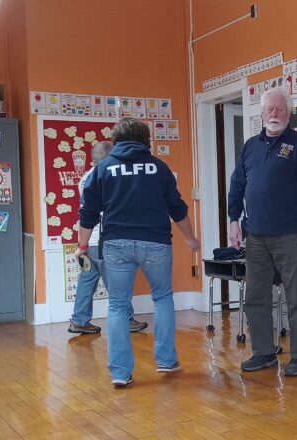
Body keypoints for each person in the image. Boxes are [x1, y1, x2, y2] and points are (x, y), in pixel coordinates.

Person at [76, 118, 200, 387]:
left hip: (116, 244)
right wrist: (190, 238)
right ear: (146, 140)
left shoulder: (105, 168)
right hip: (155, 243)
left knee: (118, 305)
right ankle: (166, 360)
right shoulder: (158, 167)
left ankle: (120, 373)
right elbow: (177, 208)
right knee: (163, 297)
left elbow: (88, 213)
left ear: (117, 140)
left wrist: (82, 246)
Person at [228, 87, 297, 377]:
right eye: (270, 109)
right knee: (256, 297)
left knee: (296, 298)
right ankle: (263, 353)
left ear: (289, 113)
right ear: (261, 114)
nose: (275, 114)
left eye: (280, 109)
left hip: (293, 234)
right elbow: (237, 186)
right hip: (255, 235)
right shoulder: (250, 146)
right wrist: (233, 219)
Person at [68, 141, 148, 335]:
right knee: (117, 281)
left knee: (87, 280)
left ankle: (79, 320)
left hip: (88, 242)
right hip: (105, 240)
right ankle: (126, 320)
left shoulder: (84, 178)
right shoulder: (105, 176)